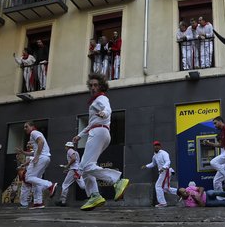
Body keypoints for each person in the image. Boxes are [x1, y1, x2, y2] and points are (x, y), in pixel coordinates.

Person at [72, 73, 129, 211]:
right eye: (91, 85)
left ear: (101, 86)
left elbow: (107, 109)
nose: (92, 87)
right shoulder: (95, 101)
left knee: (85, 166)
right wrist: (79, 135)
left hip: (98, 133)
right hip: (99, 132)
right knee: (85, 167)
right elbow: (92, 122)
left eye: (95, 85)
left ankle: (117, 181)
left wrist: (105, 113)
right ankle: (94, 195)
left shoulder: (101, 98)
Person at [15, 121, 57, 209]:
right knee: (35, 181)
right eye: (24, 127)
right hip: (45, 158)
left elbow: (41, 142)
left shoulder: (34, 132)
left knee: (28, 177)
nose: (25, 129)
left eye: (26, 126)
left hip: (41, 158)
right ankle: (38, 203)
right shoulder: (36, 134)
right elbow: (34, 152)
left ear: (32, 126)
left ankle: (50, 185)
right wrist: (23, 152)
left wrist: (37, 156)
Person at [141, 141, 177, 207]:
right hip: (163, 172)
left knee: (158, 186)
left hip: (165, 171)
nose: (156, 146)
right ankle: (182, 193)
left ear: (160, 146)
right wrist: (146, 166)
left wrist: (163, 168)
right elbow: (153, 164)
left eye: (158, 145)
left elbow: (168, 162)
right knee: (166, 188)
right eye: (155, 145)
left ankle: (163, 203)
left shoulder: (164, 153)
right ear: (154, 147)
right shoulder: (154, 156)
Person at [55, 141, 86, 207]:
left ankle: (62, 201)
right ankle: (93, 191)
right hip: (77, 170)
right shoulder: (76, 152)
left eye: (66, 146)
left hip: (74, 170)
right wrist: (68, 169)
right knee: (82, 186)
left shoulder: (70, 150)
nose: (65, 147)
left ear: (68, 147)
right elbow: (76, 162)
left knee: (65, 184)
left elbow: (73, 159)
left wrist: (67, 166)